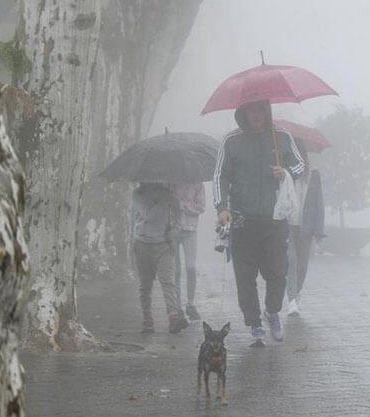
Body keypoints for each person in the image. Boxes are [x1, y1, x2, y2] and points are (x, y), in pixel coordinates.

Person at [214, 99, 305, 345]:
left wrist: (285, 172)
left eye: (259, 110)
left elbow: (299, 164)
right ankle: (255, 324)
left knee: (277, 272)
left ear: (266, 111)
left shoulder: (282, 137)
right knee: (245, 276)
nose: (255, 115)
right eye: (250, 111)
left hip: (275, 219)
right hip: (242, 220)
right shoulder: (231, 141)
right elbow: (220, 176)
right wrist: (222, 208)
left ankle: (272, 311)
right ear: (242, 113)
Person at [131, 182, 189, 334]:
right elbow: (149, 214)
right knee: (145, 285)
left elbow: (179, 214)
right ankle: (147, 319)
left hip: (164, 245)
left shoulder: (169, 195)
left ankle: (173, 317)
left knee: (168, 282)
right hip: (143, 245)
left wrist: (175, 231)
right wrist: (163, 198)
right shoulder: (137, 195)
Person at [285, 140, 325, 317]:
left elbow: (318, 203)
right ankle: (292, 299)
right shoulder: (285, 174)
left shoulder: (313, 175)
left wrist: (319, 230)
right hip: (287, 225)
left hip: (306, 227)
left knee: (302, 264)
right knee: (291, 260)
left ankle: (297, 292)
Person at [173, 182, 206, 321]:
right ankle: (177, 306)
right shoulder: (171, 182)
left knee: (190, 267)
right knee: (175, 270)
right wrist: (175, 206)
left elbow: (201, 207)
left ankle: (190, 303)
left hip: (190, 230)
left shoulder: (197, 184)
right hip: (172, 229)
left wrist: (186, 206)